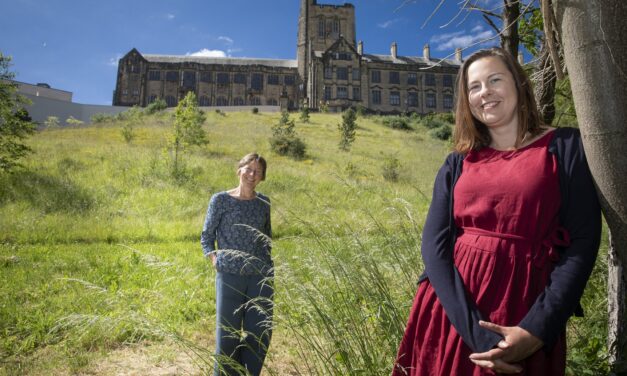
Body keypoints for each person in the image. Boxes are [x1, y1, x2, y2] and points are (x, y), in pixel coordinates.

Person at [392, 48, 601, 375]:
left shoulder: (566, 146)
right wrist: (479, 337)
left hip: (525, 311)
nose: (484, 91)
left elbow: (583, 242)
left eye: (494, 79)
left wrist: (535, 331)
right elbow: (434, 249)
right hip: (452, 313)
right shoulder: (457, 162)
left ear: (519, 83)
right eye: (473, 87)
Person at [201, 153, 273, 376]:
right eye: (249, 169)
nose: (252, 175)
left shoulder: (263, 203)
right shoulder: (220, 200)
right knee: (227, 337)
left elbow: (266, 238)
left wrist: (269, 269)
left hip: (260, 277)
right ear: (239, 170)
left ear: (262, 177)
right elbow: (206, 236)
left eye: (258, 172)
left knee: (259, 334)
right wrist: (215, 259)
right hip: (229, 275)